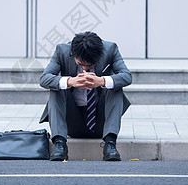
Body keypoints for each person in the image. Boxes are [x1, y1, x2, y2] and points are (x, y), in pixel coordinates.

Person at [39, 31, 132, 161]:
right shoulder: (62, 51)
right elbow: (44, 79)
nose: (85, 68)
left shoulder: (111, 49)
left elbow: (127, 76)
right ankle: (60, 145)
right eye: (81, 64)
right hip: (72, 122)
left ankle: (110, 144)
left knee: (114, 86)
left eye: (90, 65)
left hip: (101, 122)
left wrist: (102, 81)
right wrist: (70, 81)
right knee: (58, 86)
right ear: (73, 54)